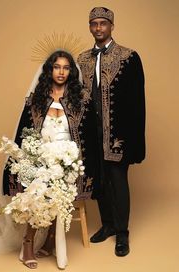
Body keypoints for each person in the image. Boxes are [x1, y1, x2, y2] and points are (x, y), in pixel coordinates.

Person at [2, 50, 101, 269]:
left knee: (57, 182)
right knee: (41, 183)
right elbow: (25, 131)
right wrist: (27, 157)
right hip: (40, 155)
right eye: (57, 67)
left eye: (66, 68)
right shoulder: (38, 96)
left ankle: (47, 240)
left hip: (69, 158)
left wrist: (75, 161)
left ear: (71, 72)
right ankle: (28, 242)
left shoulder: (81, 98)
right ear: (50, 69)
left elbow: (89, 136)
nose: (61, 72)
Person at [77, 7, 145, 257]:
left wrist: (135, 143)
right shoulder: (82, 59)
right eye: (93, 23)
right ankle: (107, 224)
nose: (98, 28)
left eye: (103, 23)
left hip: (118, 134)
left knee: (118, 182)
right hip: (91, 132)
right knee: (99, 180)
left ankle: (122, 232)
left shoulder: (129, 57)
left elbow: (138, 102)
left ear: (111, 26)